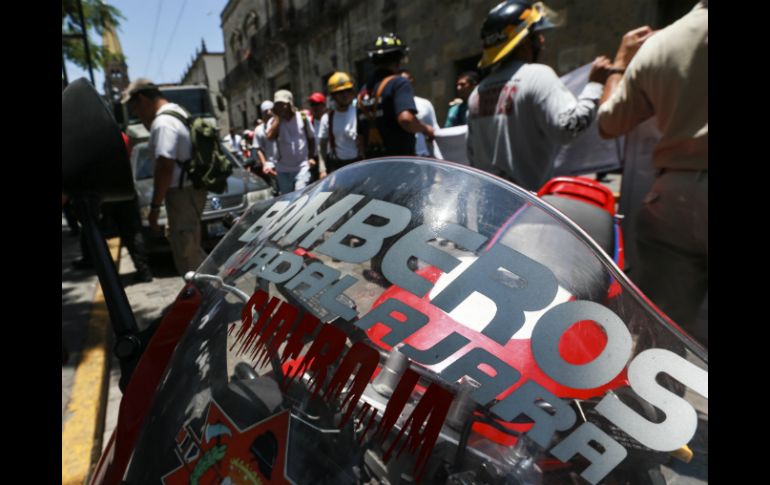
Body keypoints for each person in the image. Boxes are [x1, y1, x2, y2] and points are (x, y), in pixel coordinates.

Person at [597, 2, 708, 346]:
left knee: (661, 341)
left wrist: (619, 63)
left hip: (672, 198)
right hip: (672, 199)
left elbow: (608, 122)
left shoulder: (659, 44)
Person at [466, 0, 612, 191]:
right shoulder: (537, 75)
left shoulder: (477, 93)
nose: (542, 40)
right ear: (525, 42)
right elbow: (569, 127)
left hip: (488, 203)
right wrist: (595, 84)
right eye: (537, 34)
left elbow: (472, 155)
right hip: (528, 204)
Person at [122, 78, 208, 275]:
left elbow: (165, 167)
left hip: (181, 194)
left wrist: (154, 208)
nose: (137, 115)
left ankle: (207, 291)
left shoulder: (162, 123)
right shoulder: (177, 111)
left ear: (142, 99)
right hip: (189, 191)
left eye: (136, 109)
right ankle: (211, 288)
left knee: (187, 256)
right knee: (191, 250)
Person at [357, 33, 434, 157]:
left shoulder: (363, 91)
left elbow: (360, 138)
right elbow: (406, 119)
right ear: (398, 59)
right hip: (399, 162)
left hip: (373, 164)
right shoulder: (399, 83)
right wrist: (426, 129)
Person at [264, 89, 317, 195]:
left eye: (283, 104)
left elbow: (311, 138)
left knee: (299, 195)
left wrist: (311, 157)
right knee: (287, 198)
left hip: (302, 168)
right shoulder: (274, 121)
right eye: (277, 105)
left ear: (290, 104)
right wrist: (278, 118)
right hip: (282, 170)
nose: (281, 107)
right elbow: (269, 137)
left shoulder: (302, 118)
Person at [318, 71, 362, 177]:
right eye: (340, 92)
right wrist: (322, 169)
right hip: (339, 168)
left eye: (348, 90)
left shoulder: (359, 113)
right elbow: (322, 146)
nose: (345, 94)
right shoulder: (327, 118)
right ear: (333, 95)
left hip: (360, 164)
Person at [399, 69, 440, 157]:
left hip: (424, 155)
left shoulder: (424, 103)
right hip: (404, 155)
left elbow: (434, 128)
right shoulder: (395, 105)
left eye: (407, 81)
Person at [306, 92, 327, 180]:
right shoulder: (308, 122)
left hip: (327, 158)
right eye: (312, 105)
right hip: (313, 160)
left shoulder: (328, 120)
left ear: (323, 105)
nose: (314, 107)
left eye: (317, 104)